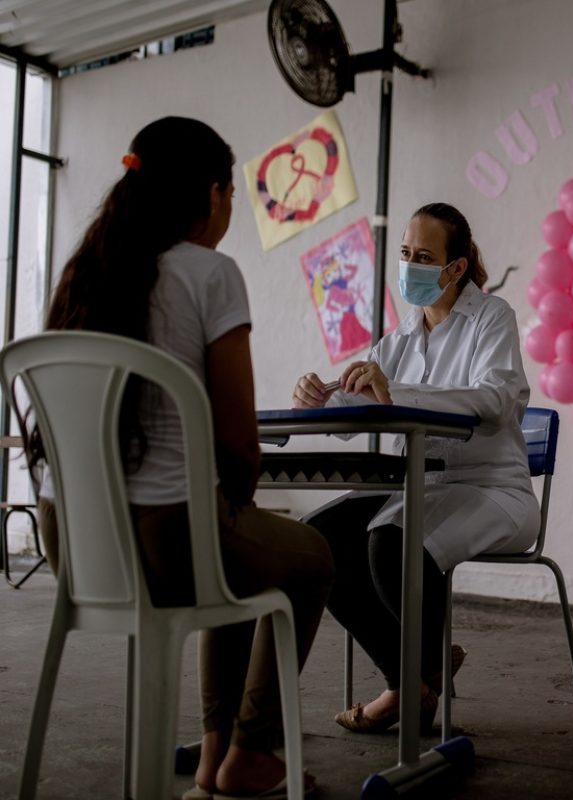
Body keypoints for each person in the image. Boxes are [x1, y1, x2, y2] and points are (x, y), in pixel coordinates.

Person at [35, 117, 334, 799]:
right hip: (168, 545)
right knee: (307, 557)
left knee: (225, 533)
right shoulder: (212, 272)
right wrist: (237, 495)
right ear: (211, 194)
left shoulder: (86, 272)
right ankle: (247, 754)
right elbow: (238, 443)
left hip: (71, 543)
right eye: (229, 192)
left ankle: (213, 755)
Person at [292, 202, 541, 733]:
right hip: (418, 490)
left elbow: (495, 400)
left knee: (390, 537)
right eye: (405, 253)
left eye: (424, 256)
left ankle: (414, 684)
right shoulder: (397, 339)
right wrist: (316, 401)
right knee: (319, 541)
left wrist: (394, 391)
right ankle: (419, 674)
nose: (410, 265)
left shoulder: (492, 319)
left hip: (492, 490)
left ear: (455, 269)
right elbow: (350, 414)